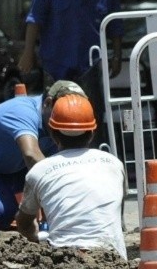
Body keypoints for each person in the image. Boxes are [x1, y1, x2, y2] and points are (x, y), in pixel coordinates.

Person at [19, 0, 124, 147]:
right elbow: (35, 16)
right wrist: (28, 52)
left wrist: (116, 55)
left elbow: (114, 19)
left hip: (91, 63)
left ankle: (95, 165)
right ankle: (53, 166)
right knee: (53, 121)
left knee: (92, 121)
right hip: (57, 62)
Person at [0, 80, 86, 235]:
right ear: (47, 103)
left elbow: (57, 166)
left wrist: (52, 223)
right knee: (1, 214)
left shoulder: (53, 120)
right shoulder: (21, 112)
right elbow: (31, 154)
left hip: (15, 170)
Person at [15, 94, 128, 259]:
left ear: (53, 134)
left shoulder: (39, 171)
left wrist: (35, 239)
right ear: (92, 133)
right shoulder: (114, 163)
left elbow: (24, 224)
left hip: (66, 264)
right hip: (113, 260)